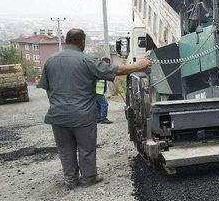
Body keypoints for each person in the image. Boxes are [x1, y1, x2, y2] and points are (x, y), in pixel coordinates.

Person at [39, 29, 151, 190]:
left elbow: (47, 88)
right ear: (82, 42)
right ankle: (88, 178)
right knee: (86, 148)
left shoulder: (50, 61)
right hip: (83, 115)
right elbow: (115, 70)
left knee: (65, 149)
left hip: (58, 115)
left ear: (66, 41)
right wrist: (139, 65)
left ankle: (70, 180)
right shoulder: (86, 60)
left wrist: (57, 104)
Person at [96, 57, 113, 124]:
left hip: (96, 90)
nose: (108, 65)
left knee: (98, 105)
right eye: (108, 64)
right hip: (98, 90)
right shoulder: (100, 69)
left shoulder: (98, 67)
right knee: (104, 104)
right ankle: (103, 119)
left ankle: (98, 118)